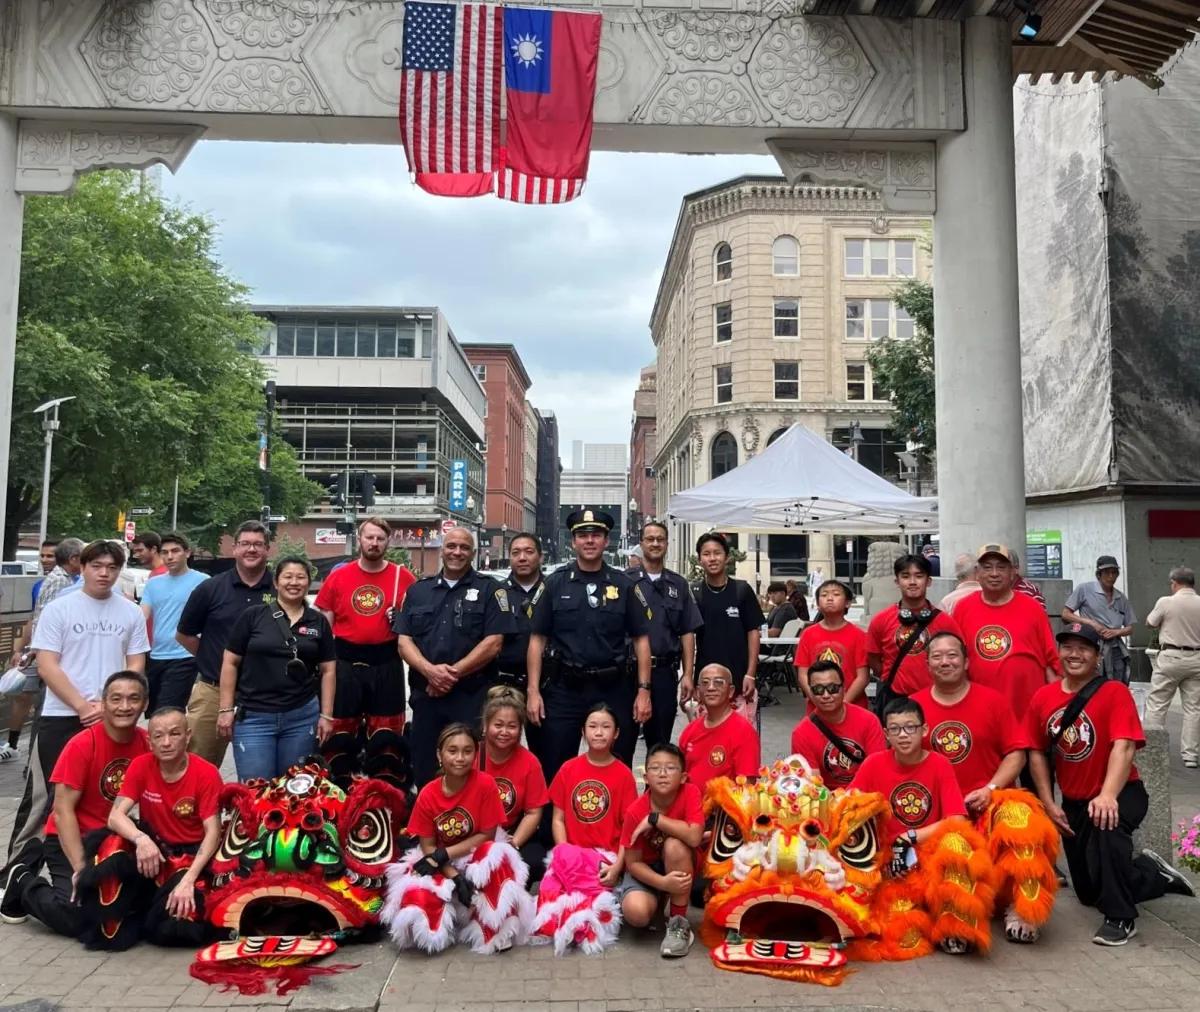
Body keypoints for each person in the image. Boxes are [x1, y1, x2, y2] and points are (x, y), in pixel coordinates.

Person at [1026, 623, 1194, 946]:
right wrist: (1048, 803)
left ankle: (1121, 918)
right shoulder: (1043, 698)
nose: (1075, 654)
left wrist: (1107, 794)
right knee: (1089, 893)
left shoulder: (1114, 692)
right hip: (1074, 803)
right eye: (1068, 647)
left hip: (1121, 792)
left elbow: (1124, 746)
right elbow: (1036, 752)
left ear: (1098, 657)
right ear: (1059, 653)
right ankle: (1152, 874)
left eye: (1084, 648)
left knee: (1107, 825)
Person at [5, 541, 149, 864]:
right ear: (81, 567)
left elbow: (136, 663)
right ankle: (15, 874)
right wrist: (83, 706)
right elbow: (47, 665)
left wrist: (111, 706)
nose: (104, 573)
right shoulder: (61, 608)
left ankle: (89, 866)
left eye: (112, 567)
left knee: (105, 793)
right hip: (62, 715)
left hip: (114, 719)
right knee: (44, 798)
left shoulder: (130, 613)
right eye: (97, 566)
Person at [913, 630, 1058, 944]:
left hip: (990, 801)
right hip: (941, 812)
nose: (945, 661)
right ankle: (959, 921)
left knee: (1022, 822)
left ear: (966, 662)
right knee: (953, 848)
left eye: (952, 655)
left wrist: (991, 788)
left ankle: (1024, 910)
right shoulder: (913, 707)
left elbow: (1016, 753)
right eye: (937, 656)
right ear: (927, 665)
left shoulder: (992, 700)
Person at [0, 671, 150, 932]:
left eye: (133, 699)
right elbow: (62, 812)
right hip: (69, 838)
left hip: (114, 839)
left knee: (133, 911)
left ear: (145, 704)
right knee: (78, 915)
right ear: (103, 704)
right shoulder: (82, 745)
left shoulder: (147, 743)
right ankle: (23, 882)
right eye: (116, 699)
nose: (124, 706)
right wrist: (82, 868)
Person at [852, 697, 989, 955]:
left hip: (930, 856)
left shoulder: (939, 764)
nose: (903, 735)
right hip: (894, 864)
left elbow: (957, 819)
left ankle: (954, 927)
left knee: (956, 843)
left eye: (910, 727)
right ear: (886, 734)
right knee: (905, 933)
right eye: (895, 729)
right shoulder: (873, 764)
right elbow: (849, 807)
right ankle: (929, 916)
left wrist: (910, 835)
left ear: (924, 730)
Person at [383, 723, 530, 955]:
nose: (460, 758)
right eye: (453, 751)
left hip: (474, 854)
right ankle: (448, 922)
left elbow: (487, 835)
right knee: (417, 897)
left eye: (467, 751)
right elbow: (429, 847)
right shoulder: (428, 794)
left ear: (475, 753)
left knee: (495, 855)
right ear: (439, 754)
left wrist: (447, 854)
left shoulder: (485, 784)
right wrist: (455, 876)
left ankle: (493, 927)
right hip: (439, 863)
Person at [526, 511, 651, 780]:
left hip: (614, 687)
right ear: (573, 542)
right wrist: (533, 691)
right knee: (557, 770)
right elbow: (537, 639)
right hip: (564, 690)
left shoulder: (624, 585)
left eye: (596, 535)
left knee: (616, 768)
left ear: (607, 541)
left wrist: (643, 691)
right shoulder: (554, 584)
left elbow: (641, 639)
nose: (590, 541)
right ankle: (554, 824)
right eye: (583, 535)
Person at [87, 707, 223, 949]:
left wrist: (189, 879)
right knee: (112, 849)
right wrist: (142, 840)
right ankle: (26, 887)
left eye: (175, 734)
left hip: (192, 859)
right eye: (159, 736)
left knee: (177, 927)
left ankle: (144, 913)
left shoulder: (206, 773)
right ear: (149, 741)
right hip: (154, 855)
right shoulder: (141, 765)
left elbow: (213, 833)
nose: (167, 742)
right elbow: (115, 817)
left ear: (188, 736)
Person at [395, 526, 515, 787]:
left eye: (463, 548)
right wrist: (430, 672)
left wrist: (450, 675)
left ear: (473, 553)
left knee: (470, 768)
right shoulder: (418, 591)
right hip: (426, 695)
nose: (456, 552)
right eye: (451, 546)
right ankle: (427, 823)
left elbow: (494, 643)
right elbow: (404, 642)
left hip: (470, 697)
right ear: (442, 549)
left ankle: (469, 823)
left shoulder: (491, 590)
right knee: (424, 765)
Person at [314, 516, 415, 789]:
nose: (374, 543)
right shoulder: (339, 576)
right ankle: (338, 794)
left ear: (387, 542)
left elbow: (417, 621)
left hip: (387, 664)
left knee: (388, 735)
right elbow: (325, 626)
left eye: (380, 538)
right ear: (359, 540)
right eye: (369, 537)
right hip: (345, 665)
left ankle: (386, 795)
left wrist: (402, 617)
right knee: (339, 734)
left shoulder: (401, 577)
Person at [217, 556, 336, 783]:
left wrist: (326, 715)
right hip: (254, 717)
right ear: (276, 583)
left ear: (309, 582)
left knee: (296, 789)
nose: (294, 582)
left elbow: (329, 670)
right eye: (288, 577)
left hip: (301, 716)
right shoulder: (253, 616)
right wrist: (225, 710)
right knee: (255, 789)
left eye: (301, 577)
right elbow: (230, 662)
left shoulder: (318, 621)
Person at [533, 704, 635, 954]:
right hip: (571, 854)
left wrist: (617, 867)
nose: (598, 732)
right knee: (549, 900)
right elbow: (558, 818)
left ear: (617, 734)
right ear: (583, 731)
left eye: (605, 727)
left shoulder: (623, 775)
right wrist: (563, 853)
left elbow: (628, 830)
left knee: (593, 912)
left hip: (604, 858)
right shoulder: (569, 768)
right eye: (593, 726)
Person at [176, 520, 275, 768]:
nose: (251, 550)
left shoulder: (280, 589)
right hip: (212, 693)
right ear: (234, 548)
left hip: (263, 695)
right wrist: (213, 660)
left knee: (260, 776)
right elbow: (184, 634)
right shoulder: (210, 588)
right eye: (245, 544)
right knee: (197, 769)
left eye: (258, 544)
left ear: (267, 549)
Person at [952, 542, 1059, 732]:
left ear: (1012, 572)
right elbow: (955, 659)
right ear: (977, 573)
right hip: (980, 712)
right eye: (987, 567)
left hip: (1028, 715)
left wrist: (1058, 704)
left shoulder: (1033, 608)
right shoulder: (962, 608)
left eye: (1001, 567)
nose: (994, 573)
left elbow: (1051, 660)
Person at [617, 742, 703, 959]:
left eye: (671, 768)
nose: (663, 774)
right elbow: (633, 863)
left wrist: (656, 819)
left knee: (674, 845)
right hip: (647, 869)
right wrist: (662, 883)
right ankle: (659, 898)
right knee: (636, 915)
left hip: (681, 861)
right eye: (655, 768)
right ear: (646, 777)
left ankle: (678, 922)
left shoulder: (691, 792)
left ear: (683, 776)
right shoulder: (635, 811)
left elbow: (694, 837)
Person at [2, 538, 84, 764]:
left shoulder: (58, 579)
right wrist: (35, 651)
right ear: (74, 558)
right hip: (45, 653)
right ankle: (35, 759)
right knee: (43, 709)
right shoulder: (61, 583)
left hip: (39, 650)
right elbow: (46, 620)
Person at [625, 521, 702, 750]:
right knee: (622, 743)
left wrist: (688, 674)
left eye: (660, 539)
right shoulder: (624, 582)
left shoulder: (678, 584)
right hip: (627, 673)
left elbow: (687, 631)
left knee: (659, 744)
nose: (655, 543)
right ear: (641, 544)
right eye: (650, 539)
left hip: (664, 674)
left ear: (667, 544)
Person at [866, 554, 961, 712]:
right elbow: (873, 659)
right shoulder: (881, 620)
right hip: (894, 699)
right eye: (905, 576)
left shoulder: (945, 622)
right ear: (897, 582)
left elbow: (959, 657)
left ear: (928, 581)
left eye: (919, 576)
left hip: (936, 698)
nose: (912, 582)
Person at [478, 685, 548, 878]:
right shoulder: (471, 754)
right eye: (498, 725)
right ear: (485, 726)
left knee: (535, 862)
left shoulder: (530, 762)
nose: (504, 732)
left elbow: (533, 812)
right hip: (474, 831)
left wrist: (513, 844)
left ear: (520, 729)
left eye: (512, 726)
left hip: (513, 830)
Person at [690, 532, 763, 705]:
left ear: (727, 557)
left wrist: (750, 674)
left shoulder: (742, 590)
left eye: (717, 553)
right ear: (700, 560)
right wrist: (690, 677)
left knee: (740, 731)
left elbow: (753, 632)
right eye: (706, 554)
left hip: (739, 679)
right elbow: (688, 636)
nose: (712, 558)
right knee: (708, 730)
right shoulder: (694, 593)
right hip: (706, 681)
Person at [140, 533, 208, 715]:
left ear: (187, 553)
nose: (169, 557)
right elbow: (142, 615)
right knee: (153, 711)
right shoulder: (153, 584)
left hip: (185, 655)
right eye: (165, 552)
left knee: (168, 709)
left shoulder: (203, 582)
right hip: (156, 655)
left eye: (175, 551)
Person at [790, 659, 886, 788]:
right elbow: (812, 785)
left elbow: (877, 770)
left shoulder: (869, 721)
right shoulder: (801, 733)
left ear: (844, 687)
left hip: (865, 794)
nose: (826, 695)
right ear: (810, 692)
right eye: (818, 689)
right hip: (825, 799)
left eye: (832, 688)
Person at [494, 532, 548, 759]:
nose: (522, 558)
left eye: (529, 552)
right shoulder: (496, 593)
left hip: (547, 686)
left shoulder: (553, 590)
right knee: (501, 752)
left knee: (547, 755)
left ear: (541, 557)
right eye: (515, 553)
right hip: (503, 685)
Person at [1144, 566, 1200, 768]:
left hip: (1171, 657)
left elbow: (1150, 622)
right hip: (1196, 658)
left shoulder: (1166, 602)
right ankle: (1190, 756)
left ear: (1174, 583)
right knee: (1193, 708)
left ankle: (1151, 750)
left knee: (1158, 703)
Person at [677, 664, 760, 795]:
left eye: (718, 682)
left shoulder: (744, 731)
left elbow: (747, 785)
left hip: (724, 811)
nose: (711, 688)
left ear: (731, 691)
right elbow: (679, 776)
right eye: (705, 683)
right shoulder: (690, 731)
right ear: (698, 692)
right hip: (690, 808)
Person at [1063, 556, 1136, 684]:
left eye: (1114, 573)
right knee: (1093, 682)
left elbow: (1130, 628)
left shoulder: (1121, 597)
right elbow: (1066, 614)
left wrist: (1115, 632)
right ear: (1099, 574)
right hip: (1092, 644)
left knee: (1118, 682)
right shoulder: (1084, 589)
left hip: (1115, 647)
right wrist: (1090, 623)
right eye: (1107, 572)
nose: (1111, 577)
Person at [795, 580, 869, 706]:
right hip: (817, 708)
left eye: (836, 594)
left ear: (848, 603)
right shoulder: (808, 634)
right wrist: (818, 700)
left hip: (852, 707)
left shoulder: (859, 635)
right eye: (824, 595)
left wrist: (841, 704)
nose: (829, 598)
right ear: (818, 603)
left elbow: (862, 677)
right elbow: (803, 674)